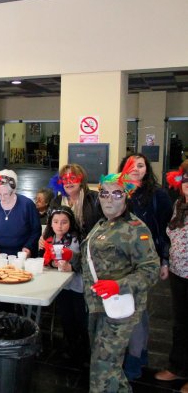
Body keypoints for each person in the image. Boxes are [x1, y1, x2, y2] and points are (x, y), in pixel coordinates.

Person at [73, 165, 159, 393]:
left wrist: (117, 285)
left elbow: (150, 270)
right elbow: (90, 258)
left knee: (102, 366)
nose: (109, 199)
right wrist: (66, 259)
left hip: (119, 309)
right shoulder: (102, 224)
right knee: (107, 364)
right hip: (97, 306)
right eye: (104, 193)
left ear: (127, 197)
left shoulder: (135, 229)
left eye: (117, 193)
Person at [118, 153, 173, 380]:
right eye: (131, 165)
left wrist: (164, 260)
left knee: (138, 312)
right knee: (125, 311)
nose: (136, 168)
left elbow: (166, 230)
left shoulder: (158, 195)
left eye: (141, 165)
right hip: (121, 260)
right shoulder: (119, 191)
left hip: (146, 261)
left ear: (146, 169)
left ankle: (134, 363)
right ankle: (137, 356)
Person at [155, 161, 188, 392]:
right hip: (179, 272)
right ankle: (177, 367)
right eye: (186, 180)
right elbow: (171, 238)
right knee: (181, 324)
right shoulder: (179, 204)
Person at [41, 206, 89, 366]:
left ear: (71, 223)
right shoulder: (48, 239)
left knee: (80, 318)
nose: (59, 226)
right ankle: (70, 347)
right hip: (61, 287)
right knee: (66, 318)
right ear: (50, 223)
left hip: (77, 286)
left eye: (64, 222)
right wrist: (53, 264)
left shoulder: (76, 239)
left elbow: (84, 261)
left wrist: (73, 266)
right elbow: (47, 260)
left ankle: (85, 350)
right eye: (55, 222)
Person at [0, 170, 41, 257]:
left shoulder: (27, 204)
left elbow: (36, 231)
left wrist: (28, 247)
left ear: (14, 190)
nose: (2, 198)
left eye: (6, 194)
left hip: (21, 255)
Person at [48, 163, 103, 240]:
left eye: (72, 178)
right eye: (65, 179)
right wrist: (44, 237)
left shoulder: (95, 198)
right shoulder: (56, 201)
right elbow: (50, 226)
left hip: (90, 245)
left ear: (81, 180)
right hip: (63, 247)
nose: (68, 182)